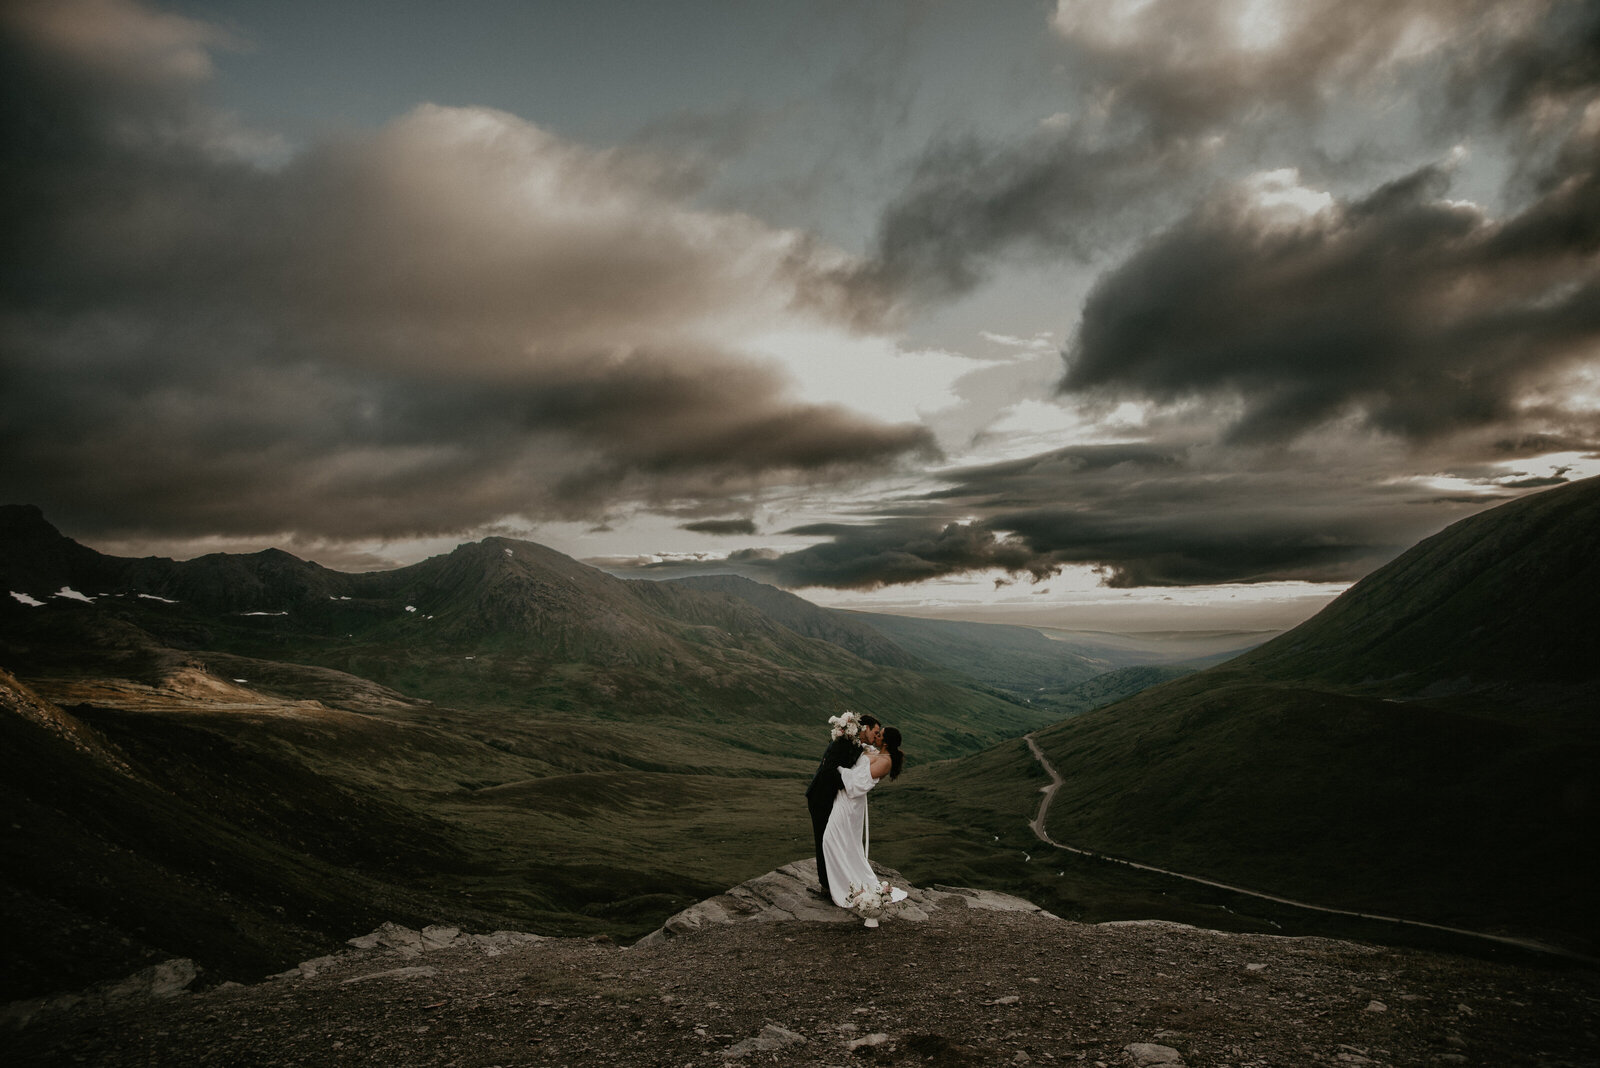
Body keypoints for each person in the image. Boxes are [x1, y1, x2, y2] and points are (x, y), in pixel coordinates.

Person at [821, 726, 904, 911]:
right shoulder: (875, 751)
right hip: (843, 797)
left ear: (886, 742)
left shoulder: (886, 761)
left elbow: (860, 783)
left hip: (852, 802)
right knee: (843, 842)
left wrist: (839, 769)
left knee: (830, 839)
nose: (876, 736)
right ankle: (848, 882)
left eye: (880, 735)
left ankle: (846, 887)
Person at [806, 714, 881, 899]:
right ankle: (826, 886)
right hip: (820, 797)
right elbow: (829, 770)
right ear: (865, 729)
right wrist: (849, 784)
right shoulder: (843, 743)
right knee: (824, 840)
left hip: (829, 797)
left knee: (831, 839)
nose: (876, 736)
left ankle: (834, 882)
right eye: (876, 732)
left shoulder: (854, 743)